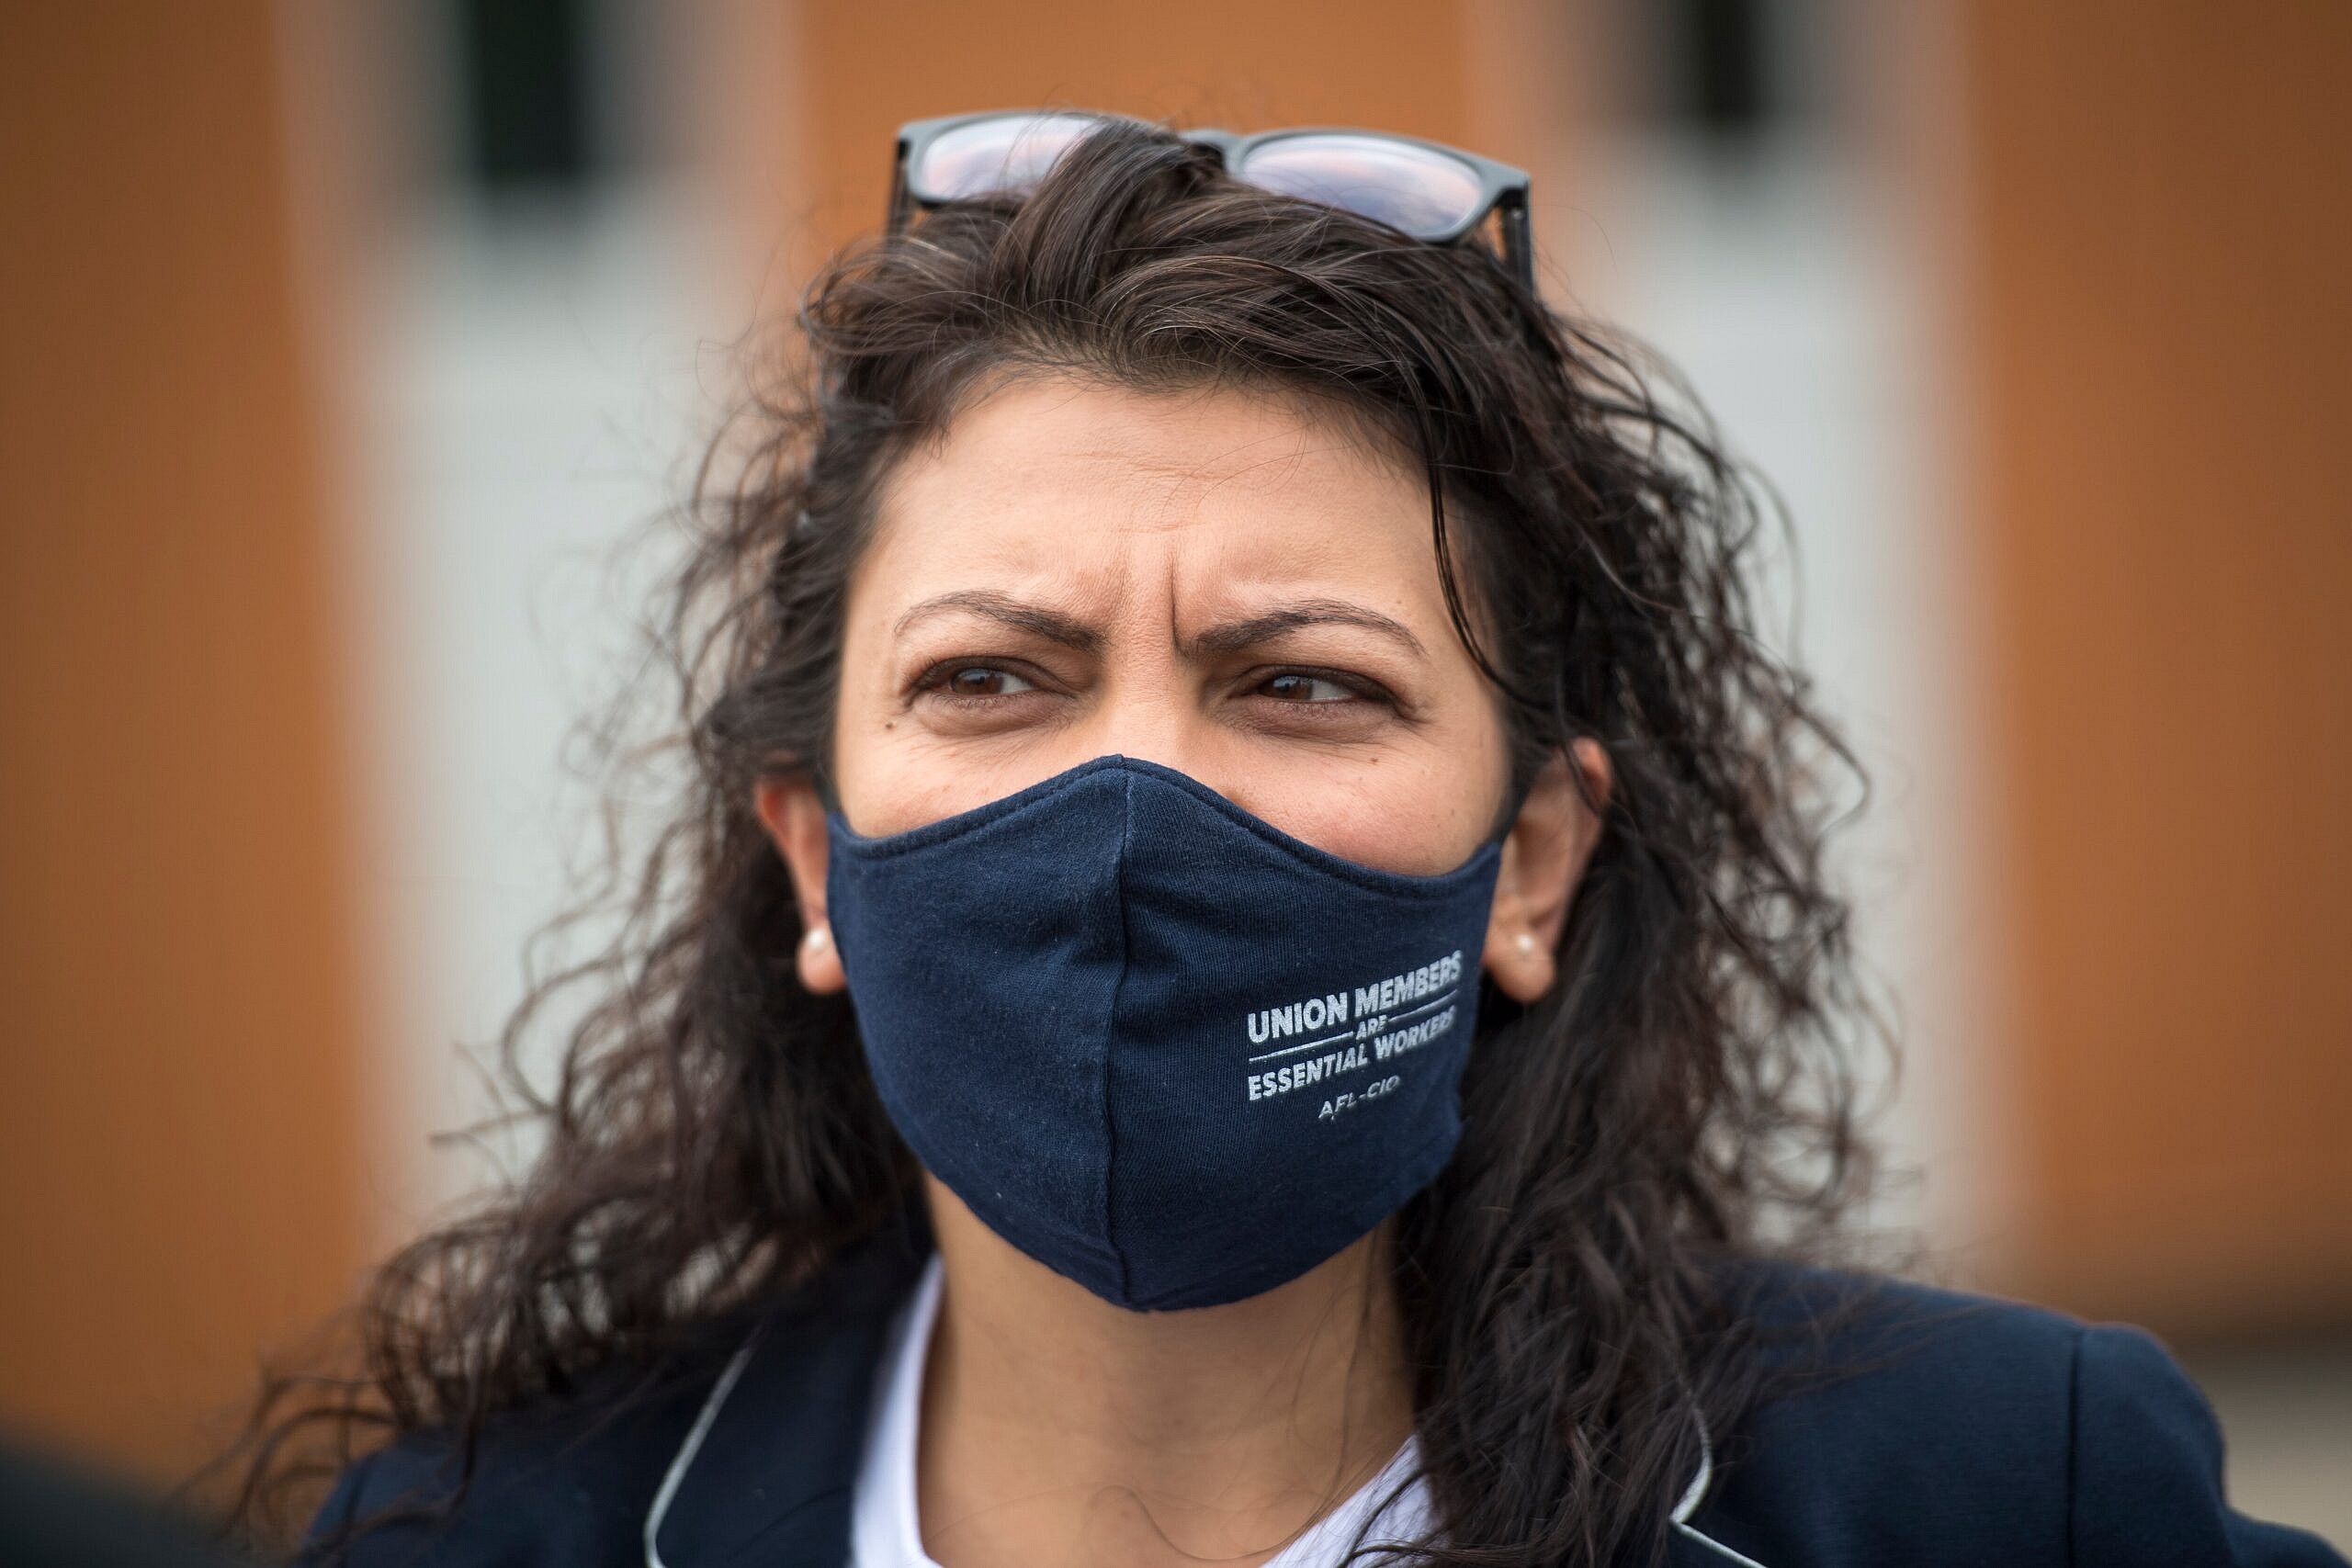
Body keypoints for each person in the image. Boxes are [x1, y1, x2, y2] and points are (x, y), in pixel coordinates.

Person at [240, 112, 2344, 1568]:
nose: (1132, 808)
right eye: (991, 676)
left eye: (1300, 680)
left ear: (1528, 863)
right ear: (812, 858)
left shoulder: (1990, 1498)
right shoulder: (489, 1533)